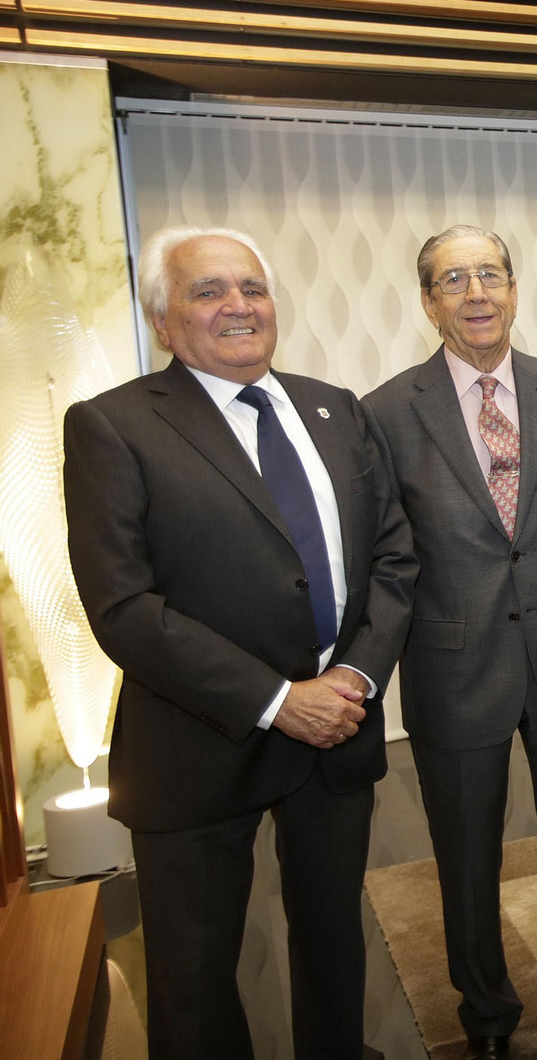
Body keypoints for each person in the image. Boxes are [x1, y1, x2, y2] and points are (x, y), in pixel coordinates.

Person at [63, 227, 416, 1060]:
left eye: (252, 289)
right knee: (194, 976)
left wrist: (356, 678)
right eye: (208, 291)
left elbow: (394, 557)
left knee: (334, 942)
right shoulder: (112, 426)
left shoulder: (336, 407)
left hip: (338, 727)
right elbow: (123, 607)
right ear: (163, 319)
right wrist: (276, 700)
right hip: (197, 740)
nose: (238, 307)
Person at [362, 225, 537, 1060]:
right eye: (453, 279)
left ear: (514, 287)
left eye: (490, 274)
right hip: (453, 664)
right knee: (466, 859)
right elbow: (390, 548)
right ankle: (486, 1016)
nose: (475, 292)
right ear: (428, 300)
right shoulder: (385, 412)